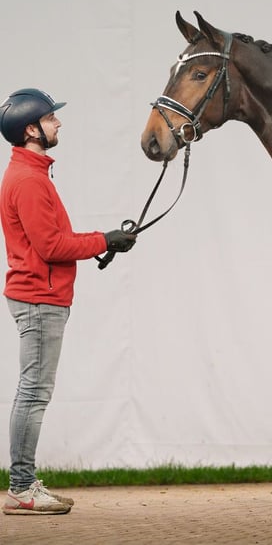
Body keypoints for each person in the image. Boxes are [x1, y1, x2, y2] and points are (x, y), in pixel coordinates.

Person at [0, 88, 137, 515]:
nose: (58, 123)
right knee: (34, 393)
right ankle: (21, 488)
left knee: (33, 390)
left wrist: (102, 243)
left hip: (41, 297)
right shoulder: (27, 180)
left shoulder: (32, 174)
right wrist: (104, 239)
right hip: (39, 300)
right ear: (31, 129)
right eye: (51, 118)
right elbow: (51, 246)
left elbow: (52, 241)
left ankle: (23, 484)